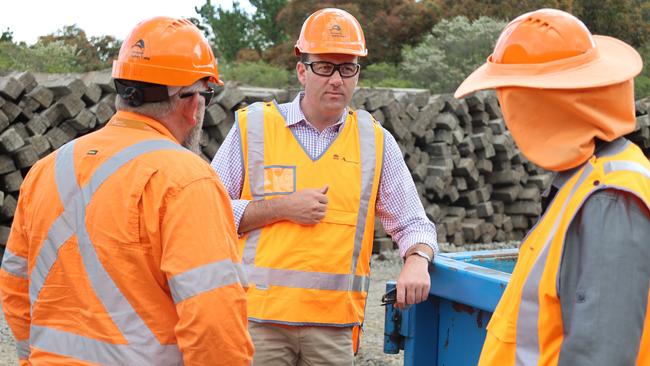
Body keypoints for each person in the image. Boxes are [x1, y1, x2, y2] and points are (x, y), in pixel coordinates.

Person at [0, 17, 253, 365]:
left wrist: (33, 356)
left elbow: (15, 283)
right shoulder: (188, 180)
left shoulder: (47, 169)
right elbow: (213, 318)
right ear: (192, 102)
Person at [211, 7, 437, 365]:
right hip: (259, 322)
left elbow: (413, 223)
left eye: (347, 68)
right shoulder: (252, 128)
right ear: (302, 70)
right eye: (325, 66)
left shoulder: (375, 142)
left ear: (357, 75)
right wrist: (280, 207)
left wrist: (418, 259)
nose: (337, 79)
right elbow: (209, 211)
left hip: (334, 328)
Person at [455, 8, 650, 366]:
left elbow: (601, 355)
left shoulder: (609, 198)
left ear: (536, 104)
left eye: (507, 98)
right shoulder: (587, 181)